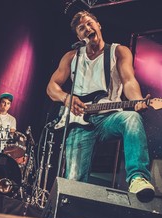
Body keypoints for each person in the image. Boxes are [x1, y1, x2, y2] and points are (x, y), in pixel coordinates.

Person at [46, 11, 155, 197]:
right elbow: (52, 87)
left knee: (131, 118)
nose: (87, 29)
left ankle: (137, 178)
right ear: (79, 36)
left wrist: (137, 100)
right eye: (82, 28)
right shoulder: (72, 57)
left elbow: (129, 81)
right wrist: (67, 98)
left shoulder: (118, 51)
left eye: (89, 24)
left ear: (98, 25)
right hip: (78, 123)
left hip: (110, 117)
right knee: (73, 184)